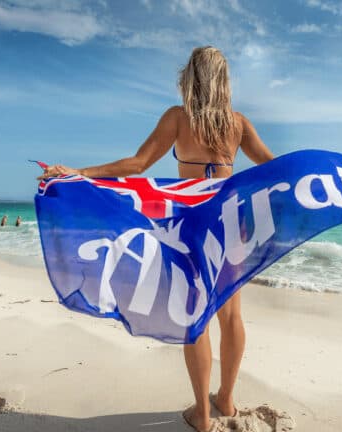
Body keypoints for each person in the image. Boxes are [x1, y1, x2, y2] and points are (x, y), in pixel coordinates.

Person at [38, 46, 274, 432]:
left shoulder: (178, 118)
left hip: (194, 222)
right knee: (232, 316)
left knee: (195, 315)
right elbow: (272, 166)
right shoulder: (238, 123)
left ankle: (201, 413)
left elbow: (137, 165)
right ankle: (227, 401)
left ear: (191, 78)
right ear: (224, 80)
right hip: (232, 221)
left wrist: (78, 173)